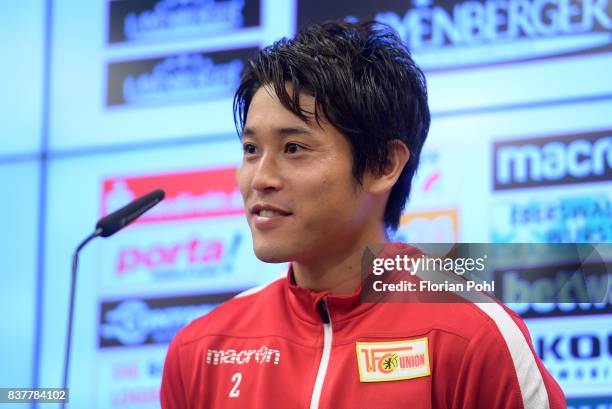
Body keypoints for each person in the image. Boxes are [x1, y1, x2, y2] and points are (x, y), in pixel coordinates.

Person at [160, 20, 566, 408]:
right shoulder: (203, 348)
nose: (260, 178)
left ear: (384, 165)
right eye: (251, 149)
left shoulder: (473, 334)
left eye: (293, 149)